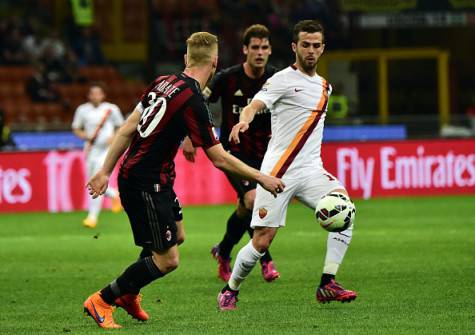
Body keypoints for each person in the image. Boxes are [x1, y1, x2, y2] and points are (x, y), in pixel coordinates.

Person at [82, 32, 285, 329]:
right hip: (144, 182)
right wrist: (261, 178)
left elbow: (127, 129)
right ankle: (103, 299)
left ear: (186, 59)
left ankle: (130, 293)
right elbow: (219, 158)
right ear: (215, 62)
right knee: (168, 260)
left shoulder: (162, 82)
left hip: (156, 179)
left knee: (176, 235)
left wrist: (104, 171)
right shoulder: (193, 100)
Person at [217, 20, 357, 311]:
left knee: (346, 211)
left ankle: (327, 283)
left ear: (322, 48)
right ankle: (230, 290)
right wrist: (244, 119)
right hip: (277, 173)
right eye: (305, 44)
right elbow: (256, 103)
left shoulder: (325, 88)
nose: (311, 50)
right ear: (295, 47)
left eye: (316, 45)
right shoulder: (281, 79)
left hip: (311, 171)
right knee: (262, 241)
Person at [183, 24, 280, 282]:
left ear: (270, 51)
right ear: (245, 50)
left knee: (244, 208)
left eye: (264, 47)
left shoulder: (276, 79)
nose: (260, 52)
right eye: (255, 47)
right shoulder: (227, 78)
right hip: (233, 153)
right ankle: (266, 260)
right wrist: (189, 135)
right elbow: (196, 100)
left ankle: (223, 250)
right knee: (251, 200)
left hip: (266, 155)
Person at [72, 83, 123, 228]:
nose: (95, 96)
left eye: (98, 93)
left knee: (97, 181)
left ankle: (92, 217)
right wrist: (85, 136)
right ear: (89, 96)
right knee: (91, 182)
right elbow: (76, 128)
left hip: (106, 150)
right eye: (92, 93)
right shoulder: (82, 110)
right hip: (90, 149)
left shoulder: (111, 109)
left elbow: (121, 126)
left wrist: (114, 137)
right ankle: (114, 195)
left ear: (103, 95)